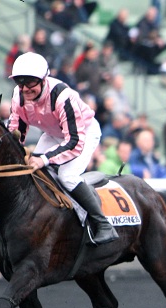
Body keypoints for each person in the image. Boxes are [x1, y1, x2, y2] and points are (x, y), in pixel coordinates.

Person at [7, 52, 118, 245]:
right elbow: (16, 129)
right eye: (20, 82)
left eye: (30, 82)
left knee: (67, 176)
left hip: (83, 133)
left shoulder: (62, 97)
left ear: (43, 79)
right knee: (32, 170)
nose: (25, 88)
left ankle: (103, 224)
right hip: (53, 134)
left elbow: (74, 141)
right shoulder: (19, 95)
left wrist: (44, 158)